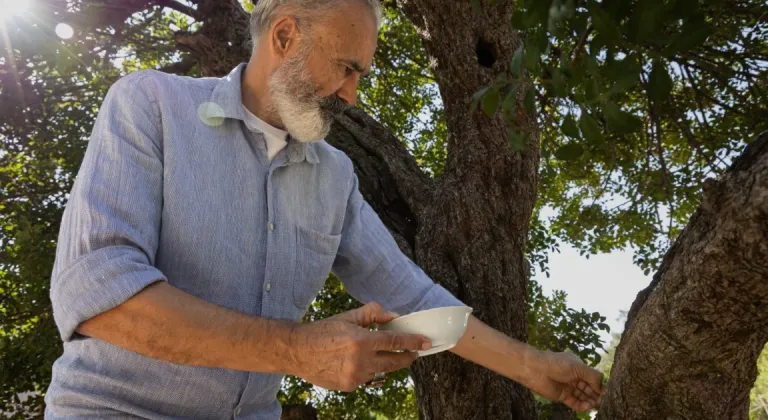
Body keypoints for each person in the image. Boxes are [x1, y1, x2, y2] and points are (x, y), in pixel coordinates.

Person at [45, 0, 604, 418]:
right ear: (285, 35)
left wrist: (537, 369)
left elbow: (416, 298)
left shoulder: (336, 176)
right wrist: (296, 350)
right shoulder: (149, 105)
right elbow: (96, 293)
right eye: (346, 67)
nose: (351, 95)